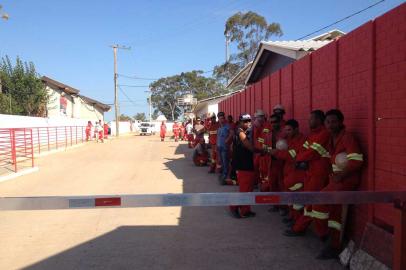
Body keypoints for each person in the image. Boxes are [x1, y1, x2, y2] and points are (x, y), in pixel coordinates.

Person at [312, 109, 363, 260]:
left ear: (341, 122)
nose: (330, 125)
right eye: (328, 122)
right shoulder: (331, 139)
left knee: (321, 204)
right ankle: (330, 240)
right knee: (333, 213)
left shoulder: (347, 138)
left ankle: (329, 240)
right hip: (336, 180)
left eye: (334, 121)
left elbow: (357, 160)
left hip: (346, 181)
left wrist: (342, 174)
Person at [285, 110, 331, 236]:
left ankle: (302, 229)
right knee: (306, 200)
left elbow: (312, 153)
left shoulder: (324, 134)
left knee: (311, 203)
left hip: (319, 174)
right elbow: (303, 150)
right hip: (310, 172)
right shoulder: (313, 134)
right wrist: (300, 157)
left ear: (319, 120)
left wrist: (298, 158)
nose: (308, 121)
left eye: (311, 119)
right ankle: (299, 224)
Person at [270, 119, 306, 225]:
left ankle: (297, 220)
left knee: (297, 200)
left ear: (296, 129)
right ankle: (292, 217)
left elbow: (292, 155)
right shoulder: (288, 139)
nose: (287, 132)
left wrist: (277, 153)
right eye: (285, 130)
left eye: (289, 130)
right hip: (288, 171)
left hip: (297, 173)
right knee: (290, 198)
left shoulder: (301, 140)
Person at [229, 113, 263, 218]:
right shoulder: (240, 133)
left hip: (246, 163)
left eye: (249, 120)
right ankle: (233, 207)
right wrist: (264, 150)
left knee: (249, 189)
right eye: (245, 121)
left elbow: (232, 147)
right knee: (245, 189)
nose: (248, 123)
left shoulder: (244, 131)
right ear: (240, 122)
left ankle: (246, 210)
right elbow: (250, 147)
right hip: (243, 165)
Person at [216, 112, 234, 185]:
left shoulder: (227, 126)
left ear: (224, 118)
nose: (221, 120)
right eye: (220, 118)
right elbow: (218, 137)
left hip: (225, 148)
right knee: (222, 162)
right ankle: (223, 174)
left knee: (225, 162)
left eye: (222, 118)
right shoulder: (219, 127)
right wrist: (217, 145)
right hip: (219, 147)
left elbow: (232, 133)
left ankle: (225, 176)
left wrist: (227, 140)